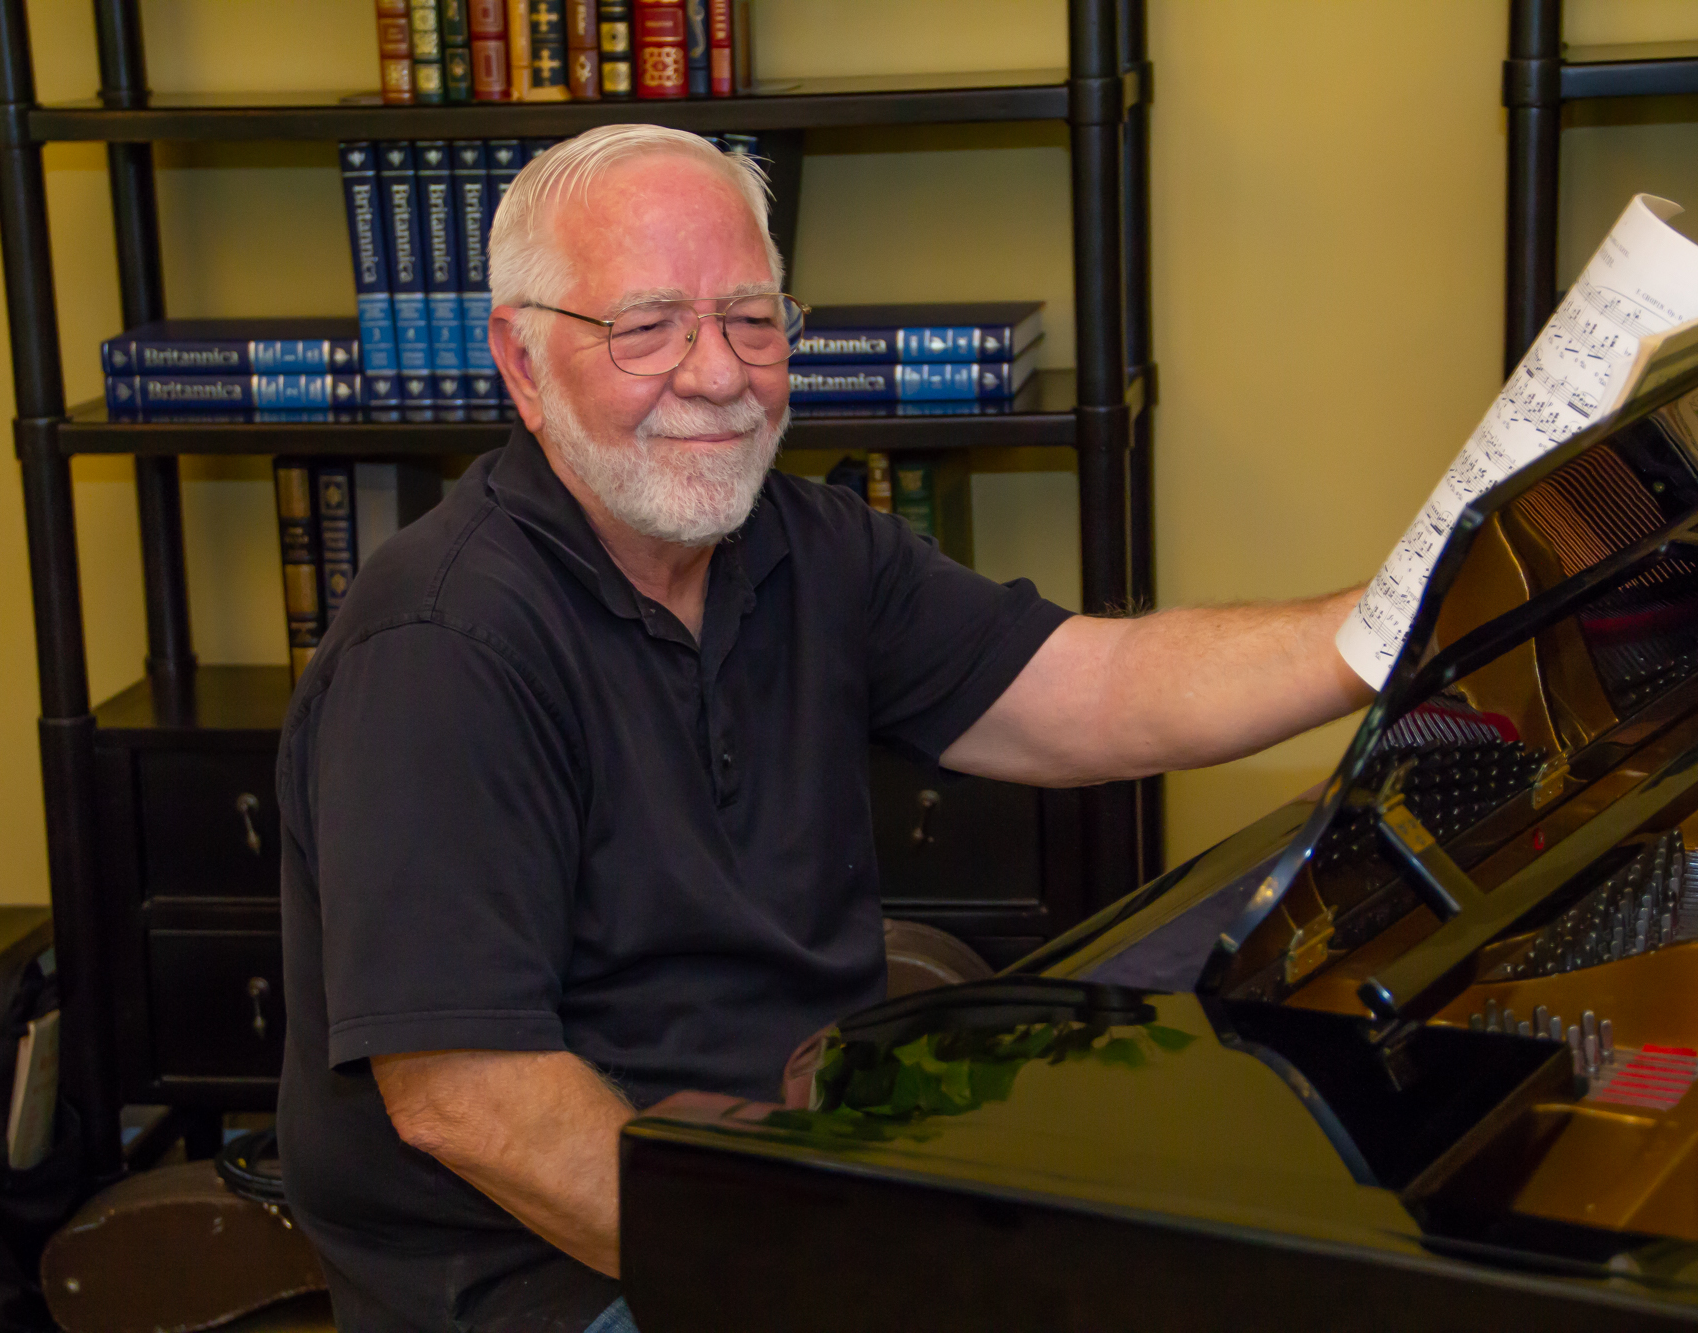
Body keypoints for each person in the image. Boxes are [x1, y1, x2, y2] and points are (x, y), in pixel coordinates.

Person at [275, 124, 1371, 1333]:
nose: (715, 373)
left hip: (795, 1165)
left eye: (751, 317)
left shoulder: (810, 546)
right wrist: (817, 1276)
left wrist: (1393, 623)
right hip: (555, 1272)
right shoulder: (443, 646)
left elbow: (1095, 688)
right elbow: (472, 1103)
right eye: (646, 327)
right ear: (523, 364)